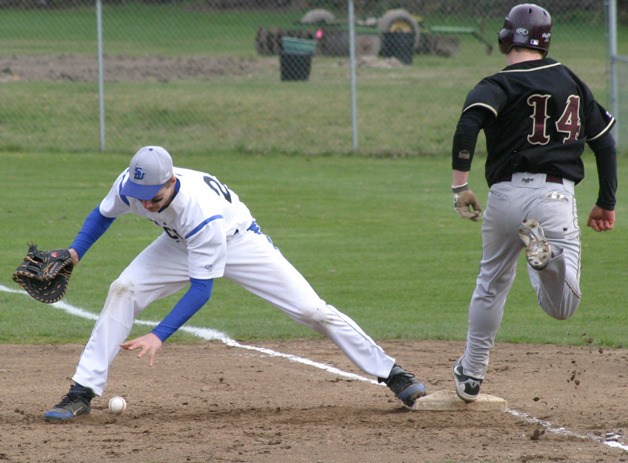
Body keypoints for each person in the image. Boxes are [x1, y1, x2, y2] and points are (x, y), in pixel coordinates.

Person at [43, 146, 427, 420]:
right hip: (178, 244)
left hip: (237, 241)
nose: (145, 205)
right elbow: (103, 213)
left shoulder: (199, 211)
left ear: (171, 181)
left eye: (154, 198)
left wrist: (159, 335)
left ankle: (393, 373)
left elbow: (202, 289)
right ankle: (82, 391)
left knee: (312, 311)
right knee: (122, 289)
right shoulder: (133, 184)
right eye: (140, 197)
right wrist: (75, 253)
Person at [450, 4, 616, 402]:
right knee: (561, 308)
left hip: (504, 198)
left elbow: (468, 124)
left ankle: (471, 376)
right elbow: (605, 142)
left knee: (490, 284)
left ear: (506, 37)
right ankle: (550, 259)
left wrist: (460, 187)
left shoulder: (496, 83)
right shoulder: (572, 80)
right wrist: (606, 202)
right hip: (554, 198)